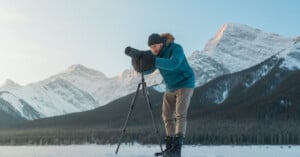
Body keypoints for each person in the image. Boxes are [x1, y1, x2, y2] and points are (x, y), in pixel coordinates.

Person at [142, 33, 195, 157]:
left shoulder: (176, 48)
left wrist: (154, 60)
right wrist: (140, 64)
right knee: (166, 116)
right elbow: (149, 69)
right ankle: (170, 147)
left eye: (154, 46)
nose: (153, 49)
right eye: (151, 47)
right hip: (170, 87)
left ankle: (177, 149)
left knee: (180, 115)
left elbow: (174, 63)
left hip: (185, 83)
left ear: (161, 43)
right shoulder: (157, 55)